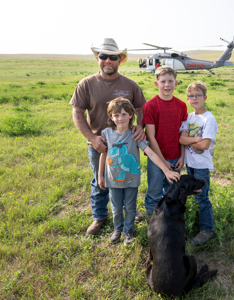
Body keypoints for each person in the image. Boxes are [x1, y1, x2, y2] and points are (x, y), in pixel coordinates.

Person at [70, 37, 147, 236]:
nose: (108, 61)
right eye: (103, 56)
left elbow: (141, 108)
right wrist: (93, 138)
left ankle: (129, 211)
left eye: (113, 57)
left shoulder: (130, 85)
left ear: (120, 60)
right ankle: (99, 216)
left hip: (127, 144)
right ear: (98, 58)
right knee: (100, 180)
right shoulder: (86, 84)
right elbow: (77, 113)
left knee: (127, 175)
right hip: (99, 144)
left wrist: (140, 126)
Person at [98, 98, 180, 245]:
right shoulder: (106, 133)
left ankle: (128, 231)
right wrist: (100, 176)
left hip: (131, 181)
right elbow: (103, 154)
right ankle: (118, 229)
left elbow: (151, 153)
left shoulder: (135, 134)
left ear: (131, 115)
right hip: (113, 180)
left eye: (124, 114)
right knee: (116, 208)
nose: (120, 118)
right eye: (116, 115)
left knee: (130, 207)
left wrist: (166, 170)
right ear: (111, 117)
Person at [142, 66, 188, 221]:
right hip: (156, 158)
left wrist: (182, 156)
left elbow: (183, 134)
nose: (167, 85)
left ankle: (169, 219)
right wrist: (162, 161)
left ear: (176, 83)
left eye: (170, 81)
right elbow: (151, 137)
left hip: (176, 157)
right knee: (154, 191)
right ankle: (152, 222)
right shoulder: (151, 105)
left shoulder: (181, 105)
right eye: (163, 81)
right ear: (157, 84)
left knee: (172, 190)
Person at [179, 81, 217, 246]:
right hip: (190, 164)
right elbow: (181, 139)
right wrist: (195, 139)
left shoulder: (209, 118)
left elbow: (205, 145)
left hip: (202, 165)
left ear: (205, 97)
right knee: (193, 195)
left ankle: (207, 230)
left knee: (202, 198)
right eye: (191, 96)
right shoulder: (188, 117)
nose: (194, 98)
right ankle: (198, 222)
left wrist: (188, 141)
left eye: (197, 95)